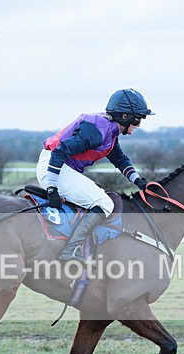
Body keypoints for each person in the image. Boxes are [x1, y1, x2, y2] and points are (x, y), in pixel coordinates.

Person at [37, 88, 153, 262]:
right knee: (104, 203)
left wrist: (139, 181)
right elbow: (59, 152)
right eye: (137, 119)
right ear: (124, 116)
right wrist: (52, 188)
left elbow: (120, 160)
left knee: (97, 195)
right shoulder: (97, 131)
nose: (138, 124)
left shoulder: (109, 132)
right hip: (54, 166)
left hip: (60, 167)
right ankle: (70, 250)